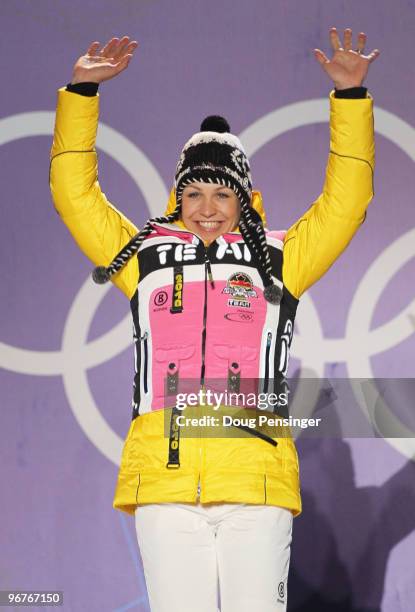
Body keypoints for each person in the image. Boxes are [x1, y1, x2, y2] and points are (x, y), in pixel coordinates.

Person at [49, 28, 379, 612]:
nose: (206, 209)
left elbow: (346, 203)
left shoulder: (281, 257)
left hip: (256, 485)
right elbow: (76, 198)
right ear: (177, 197)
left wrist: (350, 100)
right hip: (166, 485)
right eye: (193, 193)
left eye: (221, 195)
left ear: (244, 199)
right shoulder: (142, 257)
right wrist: (80, 94)